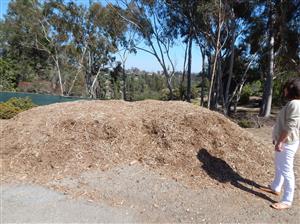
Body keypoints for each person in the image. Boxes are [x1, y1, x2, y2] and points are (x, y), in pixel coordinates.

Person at [260, 78, 300, 210]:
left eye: (286, 87)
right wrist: (277, 139)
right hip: (285, 141)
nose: (284, 90)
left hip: (287, 143)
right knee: (279, 165)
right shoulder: (293, 103)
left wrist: (281, 141)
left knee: (286, 170)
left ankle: (287, 200)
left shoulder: (295, 103)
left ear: (291, 89)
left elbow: (290, 125)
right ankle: (275, 187)